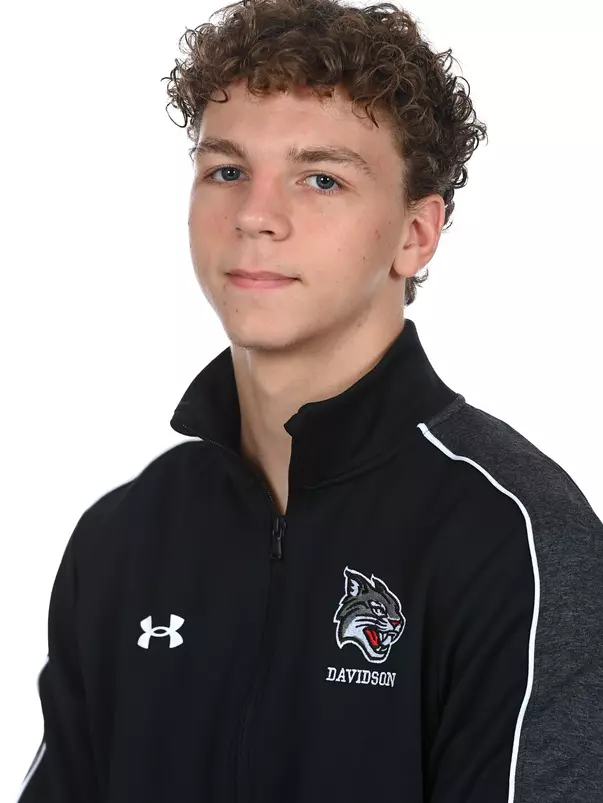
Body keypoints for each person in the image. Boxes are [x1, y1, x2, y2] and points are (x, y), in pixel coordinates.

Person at [15, 0, 603, 801]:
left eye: (320, 178)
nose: (255, 216)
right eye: (227, 170)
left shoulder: (512, 536)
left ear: (415, 234)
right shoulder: (122, 539)